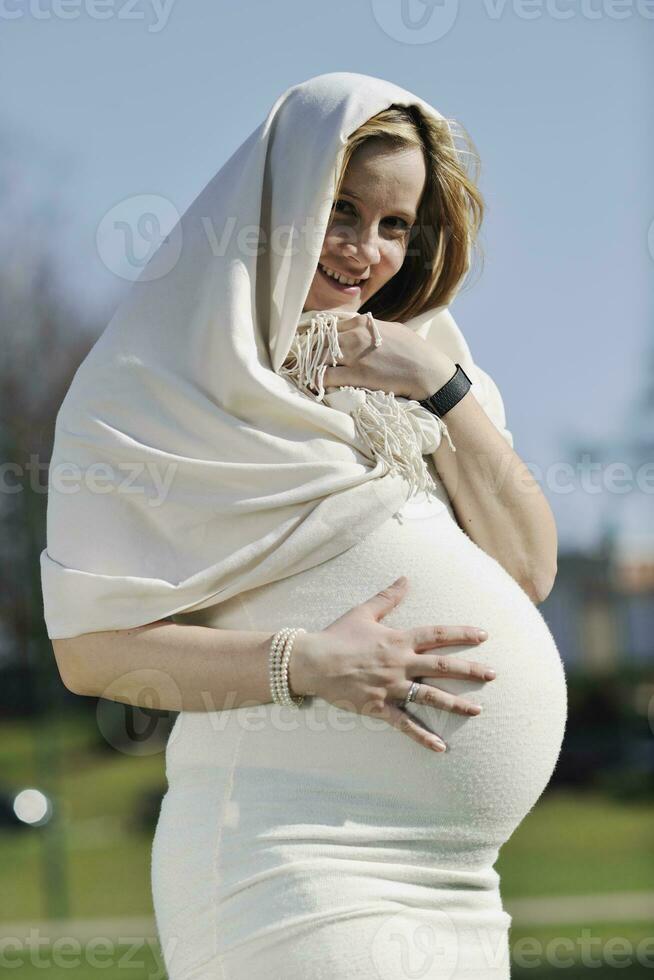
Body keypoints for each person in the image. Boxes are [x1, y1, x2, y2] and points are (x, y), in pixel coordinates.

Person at [43, 72, 567, 979]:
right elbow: (90, 652)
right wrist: (306, 663)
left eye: (396, 225)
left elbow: (527, 566)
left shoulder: (418, 377)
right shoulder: (156, 390)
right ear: (272, 209)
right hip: (294, 867)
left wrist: (436, 385)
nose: (368, 250)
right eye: (343, 211)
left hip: (460, 885)